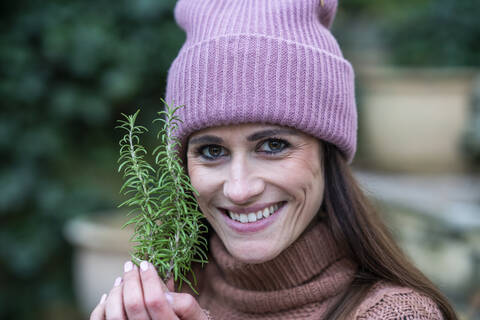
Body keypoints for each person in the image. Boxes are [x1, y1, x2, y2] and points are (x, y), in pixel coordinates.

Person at [90, 0, 458, 319]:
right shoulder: (170, 296)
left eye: (272, 145)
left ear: (327, 152)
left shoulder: (398, 314)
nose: (239, 189)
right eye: (212, 151)